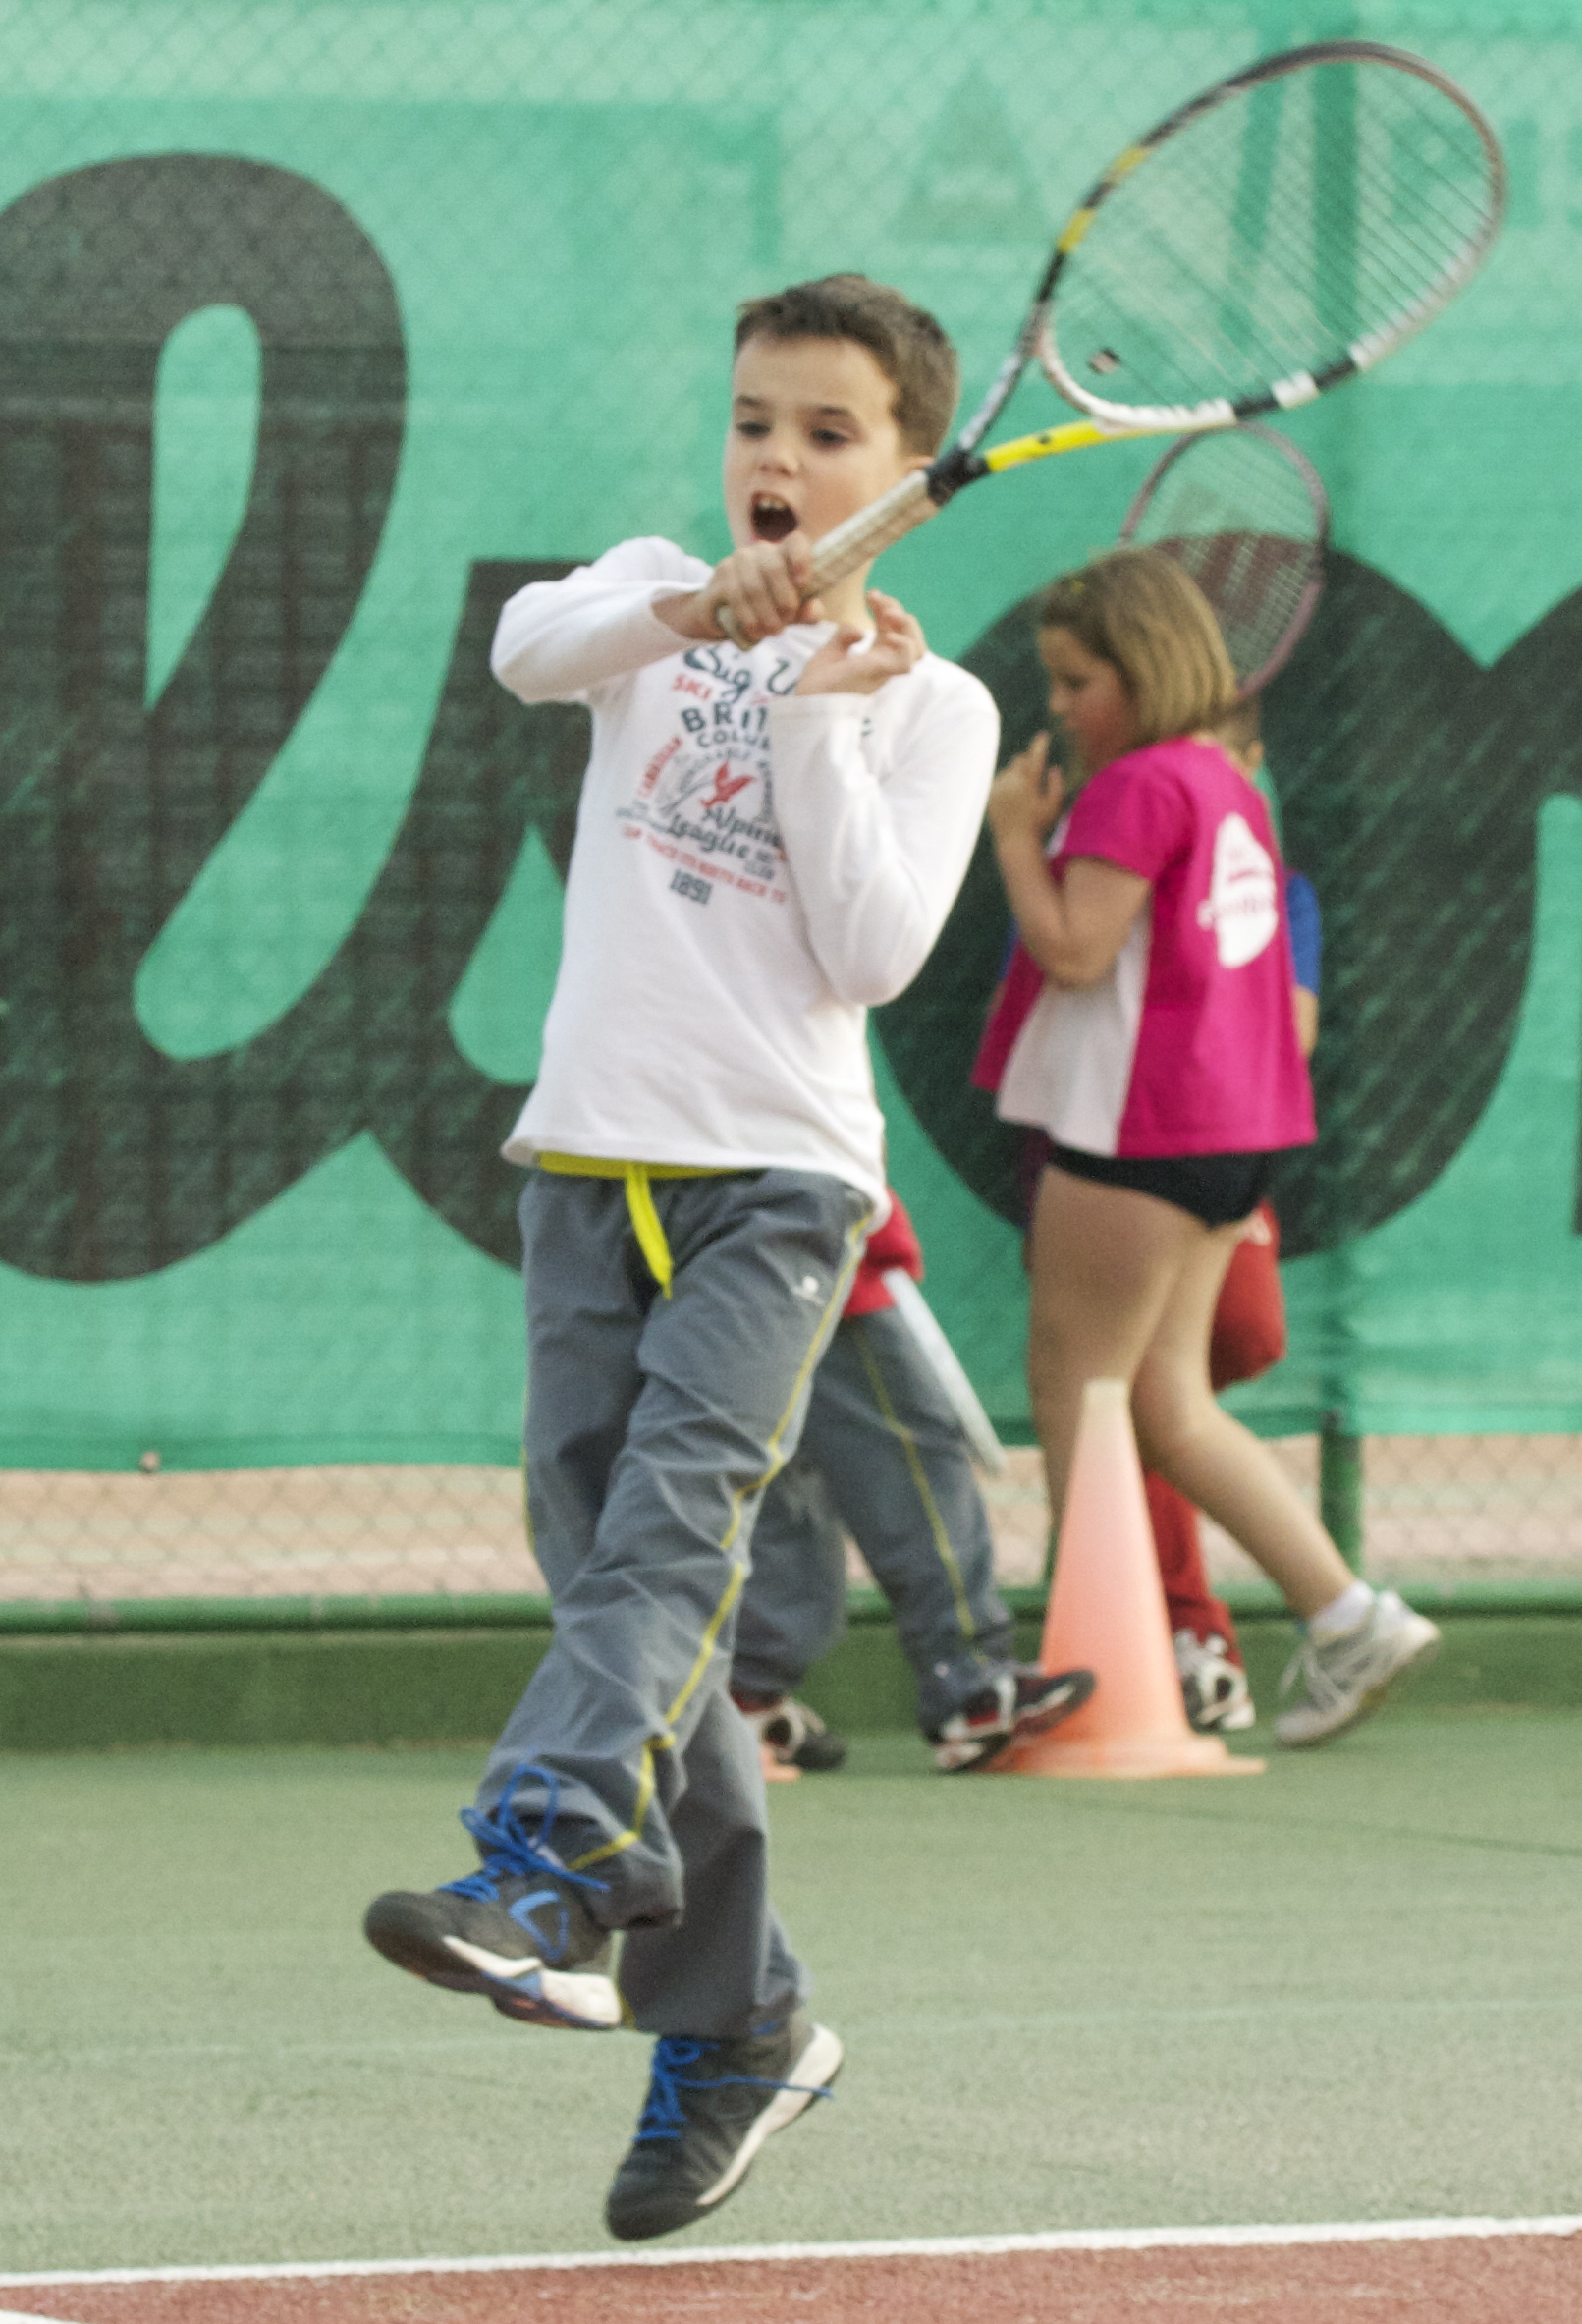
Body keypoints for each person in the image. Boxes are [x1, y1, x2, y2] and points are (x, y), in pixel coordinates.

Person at [360, 275, 1002, 2242]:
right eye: (752, 421)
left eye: (827, 431)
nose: (776, 459)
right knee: (619, 1596)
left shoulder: (934, 704)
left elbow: (871, 952)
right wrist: (698, 614)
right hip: (585, 1163)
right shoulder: (649, 592)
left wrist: (814, 713)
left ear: (908, 471)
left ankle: (545, 1861)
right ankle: (743, 2022)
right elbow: (523, 649)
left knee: (663, 1542)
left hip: (776, 1190)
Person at [978, 549, 1438, 1751]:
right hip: (1235, 1140)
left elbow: (1075, 949)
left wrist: (1015, 836)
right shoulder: (1227, 783)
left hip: (1140, 1134)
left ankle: (1091, 1675)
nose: (1060, 706)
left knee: (1078, 1391)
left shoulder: (1136, 784)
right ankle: (1350, 1614)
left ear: (1141, 670)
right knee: (1167, 1405)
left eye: (1078, 681)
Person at [731, 1189, 1093, 1773]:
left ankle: (745, 1695)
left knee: (772, 1469)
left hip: (735, 1248)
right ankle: (971, 1686)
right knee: (904, 1455)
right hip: (815, 1237)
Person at [1147, 698, 1326, 1734]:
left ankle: (1336, 1613)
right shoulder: (1100, 857)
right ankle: (1191, 1634)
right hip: (1111, 1163)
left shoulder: (1281, 892)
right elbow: (1050, 984)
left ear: (1252, 765)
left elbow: (1287, 1033)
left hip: (1219, 1156)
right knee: (1132, 1395)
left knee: (1232, 1344)